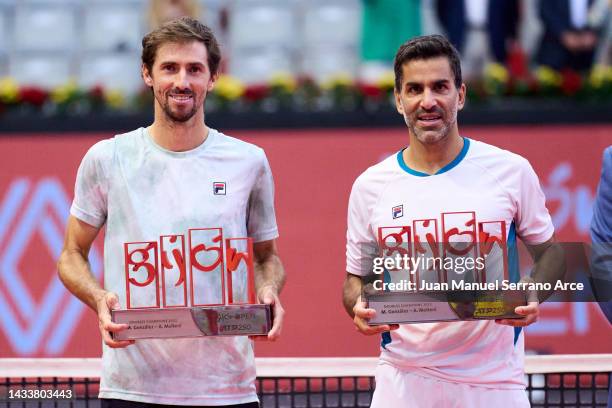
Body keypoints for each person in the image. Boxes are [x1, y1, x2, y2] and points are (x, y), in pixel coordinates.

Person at [57, 17, 285, 408]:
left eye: (195, 69)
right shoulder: (107, 158)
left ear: (213, 78)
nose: (182, 81)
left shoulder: (249, 162)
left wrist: (268, 291)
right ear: (147, 74)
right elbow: (71, 254)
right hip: (131, 388)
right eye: (169, 68)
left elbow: (267, 257)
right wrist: (97, 298)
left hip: (226, 391)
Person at [343, 34, 563, 407]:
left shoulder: (510, 171)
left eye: (439, 87)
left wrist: (534, 292)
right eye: (414, 89)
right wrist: (359, 306)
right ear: (399, 100)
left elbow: (553, 257)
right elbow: (354, 282)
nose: (427, 101)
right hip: (402, 382)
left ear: (460, 95)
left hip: (494, 385)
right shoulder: (369, 187)